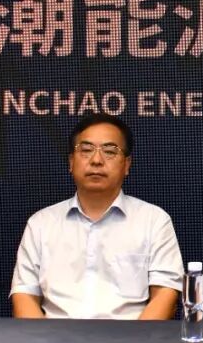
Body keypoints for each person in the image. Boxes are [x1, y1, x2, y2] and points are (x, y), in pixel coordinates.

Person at [10, 113, 183, 319]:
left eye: (109, 151)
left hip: (131, 336)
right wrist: (43, 339)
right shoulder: (41, 223)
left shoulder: (154, 221)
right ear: (71, 161)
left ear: (127, 164)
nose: (96, 160)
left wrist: (136, 339)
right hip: (54, 336)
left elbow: (165, 294)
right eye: (86, 150)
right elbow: (24, 294)